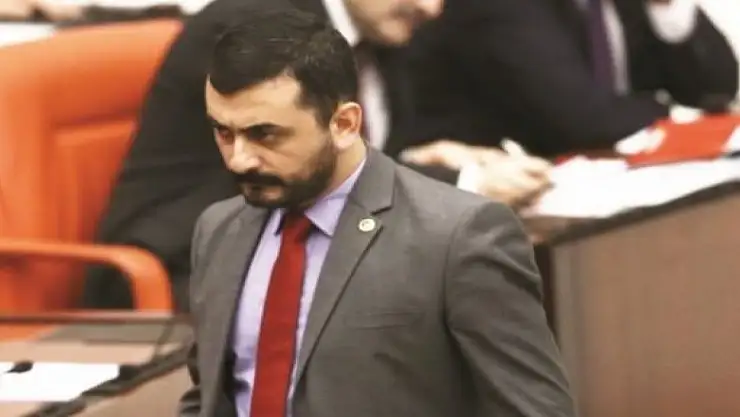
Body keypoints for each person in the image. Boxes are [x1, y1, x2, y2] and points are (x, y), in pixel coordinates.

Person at [180, 8, 575, 417]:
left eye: (264, 134)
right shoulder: (219, 230)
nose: (239, 159)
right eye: (224, 132)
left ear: (344, 124)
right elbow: (213, 395)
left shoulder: (458, 237)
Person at [81, 0, 447, 311]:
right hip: (183, 271)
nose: (431, 8)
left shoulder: (382, 40)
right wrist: (462, 183)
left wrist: (443, 167)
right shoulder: (254, 29)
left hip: (296, 248)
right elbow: (311, 179)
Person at [404, 0, 739, 158]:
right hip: (448, 201)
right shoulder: (502, 7)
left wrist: (666, 6)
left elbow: (716, 87)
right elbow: (580, 122)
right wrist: (670, 111)